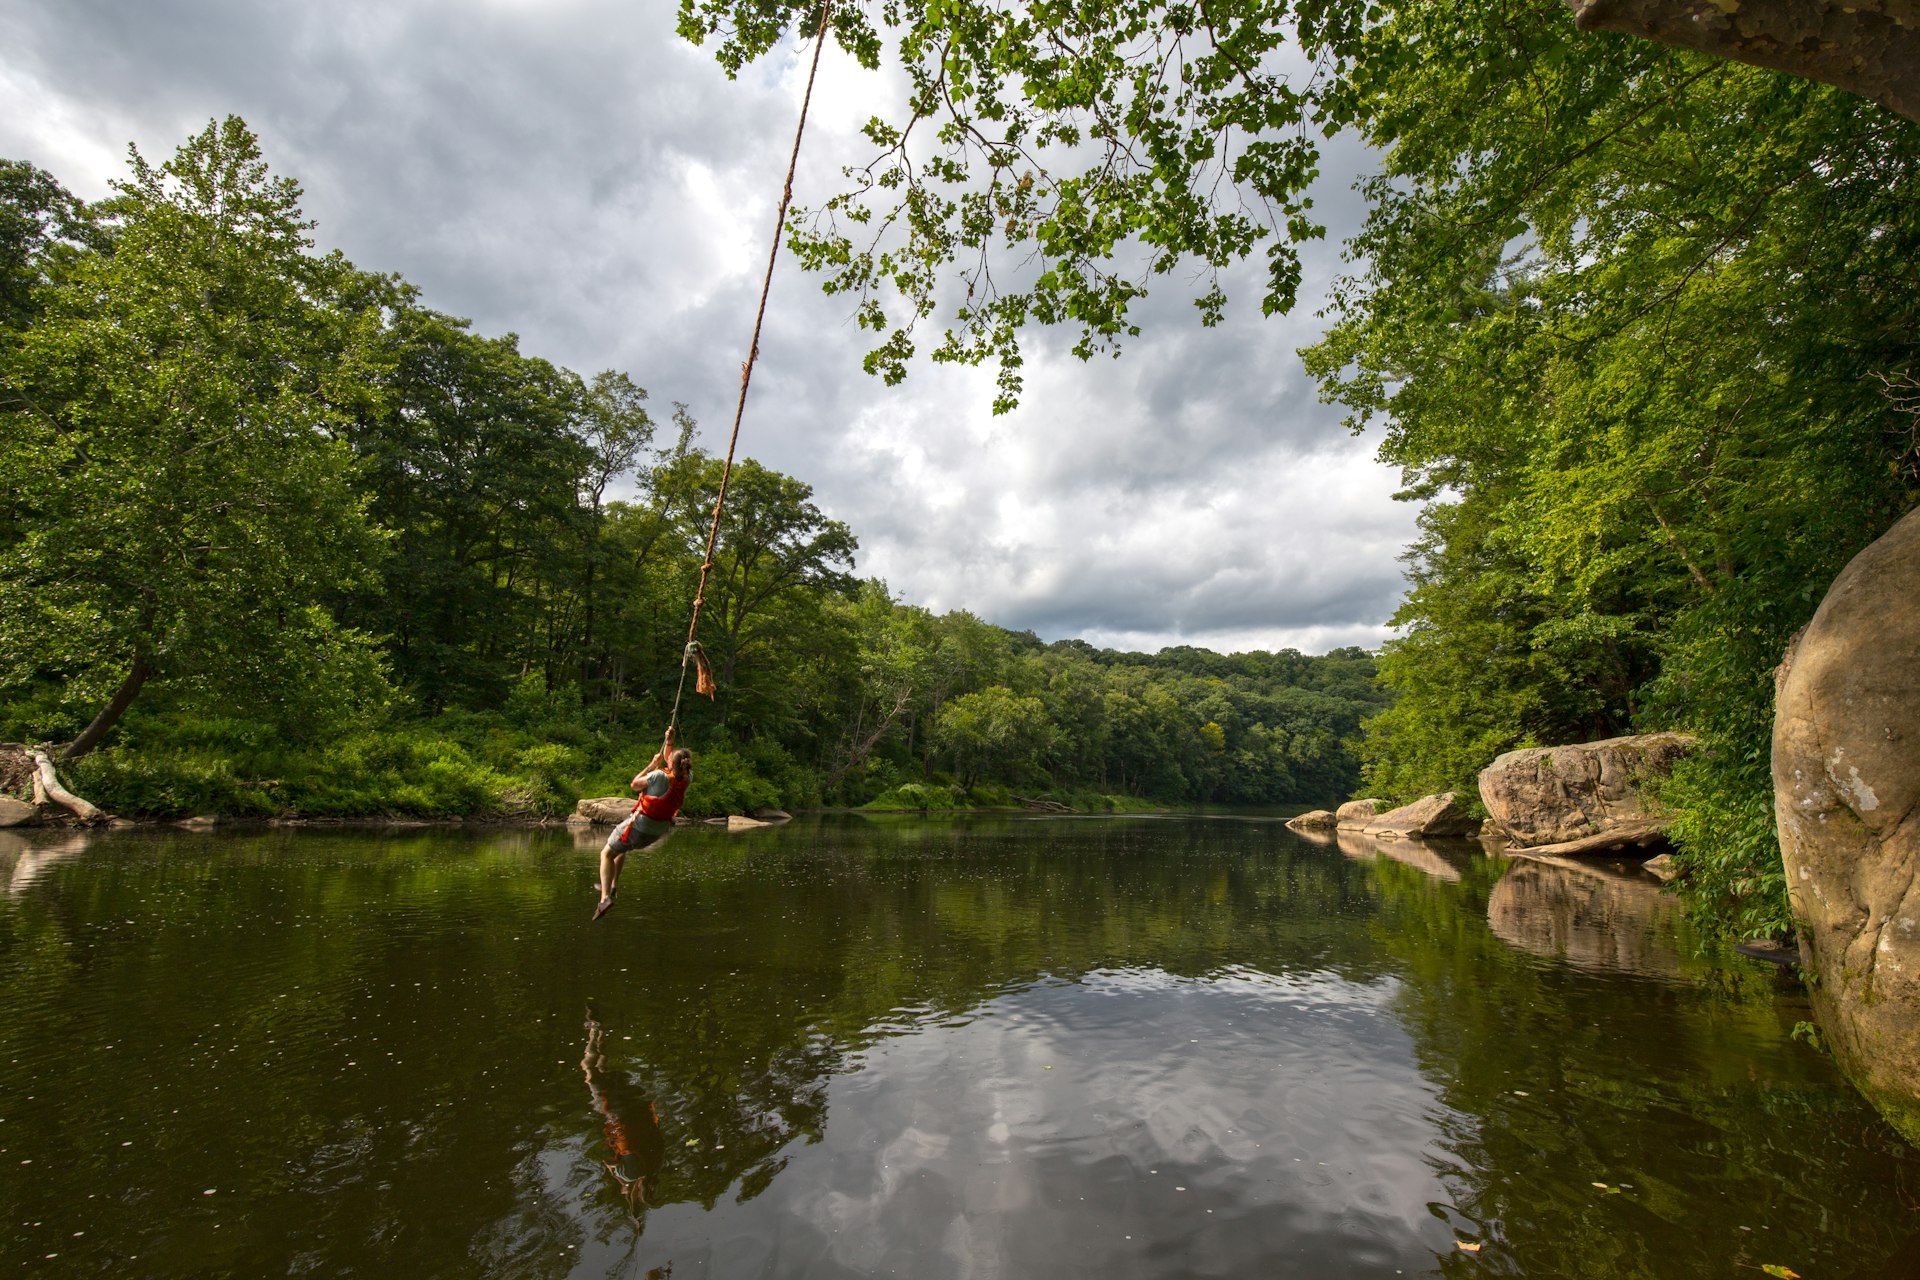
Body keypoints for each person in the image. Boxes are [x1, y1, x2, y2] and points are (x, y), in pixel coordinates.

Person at [594, 727, 691, 921]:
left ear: (670, 763)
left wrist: (651, 765)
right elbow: (672, 760)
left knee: (606, 853)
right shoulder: (687, 778)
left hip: (640, 825)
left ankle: (604, 898)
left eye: (668, 759)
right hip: (657, 831)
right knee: (622, 849)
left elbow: (634, 784)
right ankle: (612, 887)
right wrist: (669, 742)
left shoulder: (658, 775)